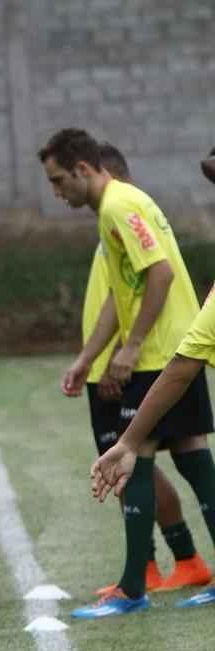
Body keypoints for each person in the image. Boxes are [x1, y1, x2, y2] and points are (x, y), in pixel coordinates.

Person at [43, 128, 215, 619]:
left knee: (132, 452)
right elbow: (124, 296)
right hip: (170, 346)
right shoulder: (118, 207)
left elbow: (158, 273)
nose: (57, 193)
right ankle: (148, 577)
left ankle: (134, 586)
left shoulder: (119, 205)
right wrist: (87, 357)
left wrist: (132, 346)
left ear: (82, 169)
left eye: (58, 181)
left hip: (162, 353)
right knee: (189, 454)